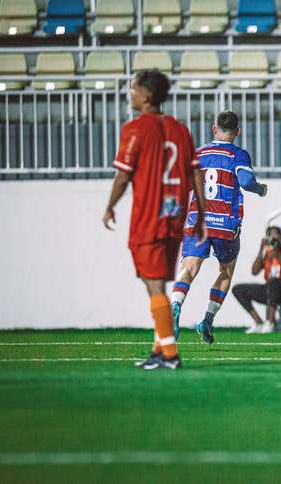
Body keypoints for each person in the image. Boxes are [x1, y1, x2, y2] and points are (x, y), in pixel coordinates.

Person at [103, 69, 207, 371]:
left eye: (133, 89)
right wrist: (199, 213)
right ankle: (160, 349)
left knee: (155, 287)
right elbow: (193, 173)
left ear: (146, 95)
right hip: (174, 216)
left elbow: (123, 175)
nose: (130, 93)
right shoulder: (180, 129)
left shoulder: (135, 129)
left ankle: (171, 354)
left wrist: (110, 205)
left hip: (148, 217)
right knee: (160, 282)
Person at [169, 110, 268, 345]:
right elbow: (245, 182)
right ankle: (207, 319)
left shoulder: (198, 153)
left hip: (198, 221)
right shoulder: (238, 154)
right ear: (237, 132)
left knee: (189, 267)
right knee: (225, 271)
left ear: (214, 129)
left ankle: (175, 305)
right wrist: (260, 189)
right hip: (225, 224)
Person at [231, 226, 281, 334]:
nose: (273, 237)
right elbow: (254, 271)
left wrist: (278, 256)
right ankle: (259, 323)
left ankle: (270, 322)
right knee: (238, 289)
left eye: (276, 234)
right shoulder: (266, 251)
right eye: (270, 235)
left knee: (274, 281)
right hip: (272, 290)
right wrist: (261, 250)